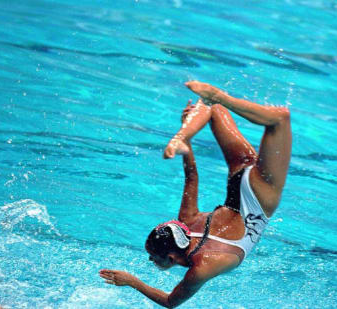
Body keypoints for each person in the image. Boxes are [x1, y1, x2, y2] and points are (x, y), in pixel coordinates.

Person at [100, 81, 292, 308]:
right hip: (237, 179)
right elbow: (191, 177)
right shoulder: (186, 222)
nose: (150, 260)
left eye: (153, 257)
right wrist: (186, 145)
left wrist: (133, 282)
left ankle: (215, 107)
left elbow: (171, 301)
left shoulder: (202, 266)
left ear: (171, 258)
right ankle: (182, 134)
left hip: (260, 195)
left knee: (280, 119)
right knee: (211, 106)